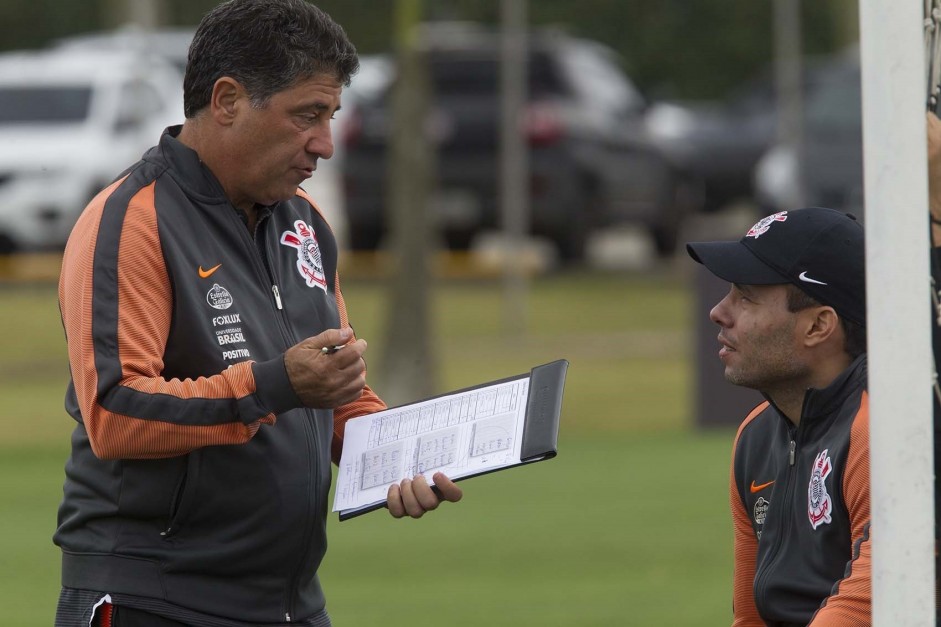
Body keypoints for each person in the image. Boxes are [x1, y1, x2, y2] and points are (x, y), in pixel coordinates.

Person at [53, 1, 462, 626]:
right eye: (308, 115)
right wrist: (275, 384)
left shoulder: (304, 223)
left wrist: (396, 453)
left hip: (288, 603)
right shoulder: (132, 220)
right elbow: (114, 410)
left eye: (330, 116)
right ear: (227, 101)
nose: (324, 144)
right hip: (155, 598)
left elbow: (335, 387)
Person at [687, 207, 871, 625]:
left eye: (746, 296)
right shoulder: (756, 435)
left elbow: (867, 607)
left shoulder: (878, 432)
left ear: (818, 326)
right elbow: (751, 618)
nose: (719, 311)